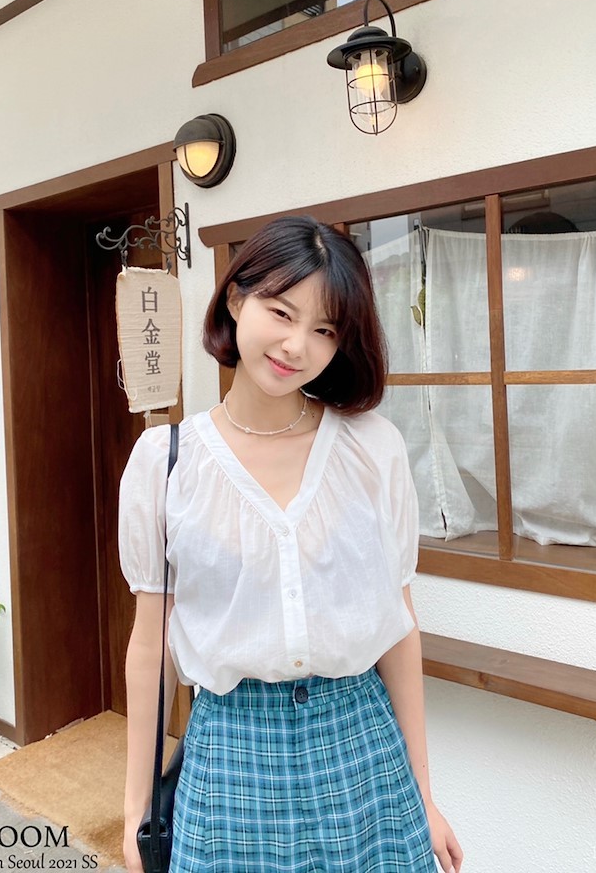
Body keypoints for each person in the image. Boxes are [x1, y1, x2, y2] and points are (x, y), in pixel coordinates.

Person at [119, 215, 463, 873]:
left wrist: (424, 794)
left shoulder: (373, 449)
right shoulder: (165, 462)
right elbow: (150, 642)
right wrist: (137, 807)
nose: (297, 345)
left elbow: (399, 626)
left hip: (362, 746)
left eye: (325, 330)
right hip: (229, 755)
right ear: (235, 299)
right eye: (281, 312)